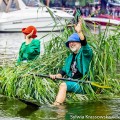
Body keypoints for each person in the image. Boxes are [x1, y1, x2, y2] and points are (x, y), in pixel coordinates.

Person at [50, 20, 93, 106]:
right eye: (70, 42)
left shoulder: (85, 54)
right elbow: (63, 71)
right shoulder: (70, 57)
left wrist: (79, 32)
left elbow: (85, 45)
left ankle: (56, 106)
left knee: (63, 85)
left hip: (81, 84)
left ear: (80, 44)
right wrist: (56, 76)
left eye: (74, 42)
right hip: (71, 81)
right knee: (55, 84)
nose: (71, 44)